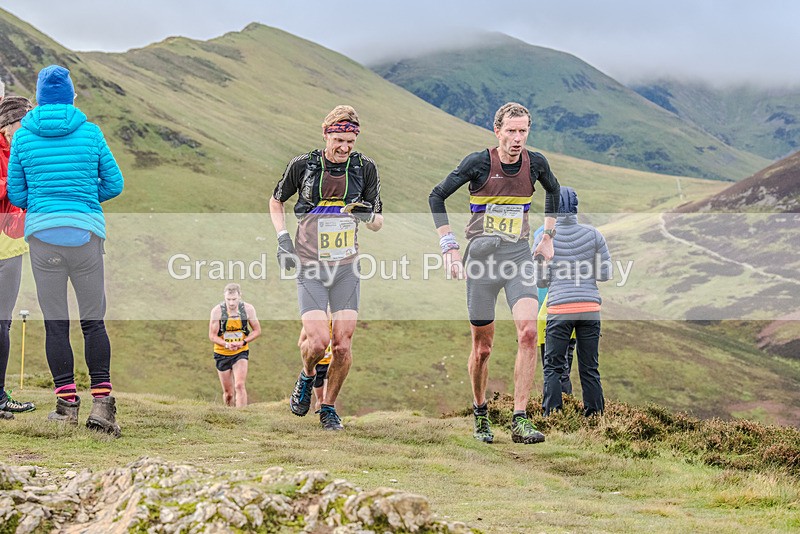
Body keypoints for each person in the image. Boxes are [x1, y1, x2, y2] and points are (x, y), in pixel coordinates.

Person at [429, 102, 560, 444]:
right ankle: (480, 412)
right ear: (497, 131)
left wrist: (547, 237)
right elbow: (437, 196)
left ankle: (520, 418)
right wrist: (450, 246)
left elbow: (555, 191)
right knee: (483, 349)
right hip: (482, 262)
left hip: (518, 258)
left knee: (529, 333)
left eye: (523, 131)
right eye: (511, 131)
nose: (517, 138)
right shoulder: (479, 163)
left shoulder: (536, 164)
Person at [7, 65, 124, 436]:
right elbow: (115, 184)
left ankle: (66, 405)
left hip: (43, 239)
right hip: (86, 236)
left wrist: (45, 203)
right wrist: (86, 199)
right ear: (72, 96)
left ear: (39, 99)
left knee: (55, 321)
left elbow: (19, 194)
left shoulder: (23, 137)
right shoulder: (90, 133)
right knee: (93, 321)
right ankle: (102, 407)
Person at [270, 105, 383, 431]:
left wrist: (365, 215)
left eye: (350, 141)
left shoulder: (365, 169)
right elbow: (276, 200)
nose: (345, 148)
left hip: (346, 268)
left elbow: (378, 222)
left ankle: (329, 407)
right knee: (318, 343)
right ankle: (307, 376)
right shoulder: (304, 165)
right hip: (310, 266)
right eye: (339, 140)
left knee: (343, 344)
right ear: (326, 134)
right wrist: (282, 239)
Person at [535, 186, 611, 417]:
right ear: (576, 207)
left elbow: (540, 281)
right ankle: (595, 418)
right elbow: (605, 274)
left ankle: (554, 417)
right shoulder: (594, 234)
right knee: (590, 368)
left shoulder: (543, 238)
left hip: (559, 309)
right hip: (590, 309)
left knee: (553, 367)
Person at [0, 89, 36, 418]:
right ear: (10, 123)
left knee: (4, 323)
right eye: (25, 122)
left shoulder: (18, 149)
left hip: (12, 247)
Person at [533, 224, 576, 395]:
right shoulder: (578, 237)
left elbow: (538, 286)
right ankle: (565, 411)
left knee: (554, 371)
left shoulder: (540, 236)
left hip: (548, 319)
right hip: (573, 317)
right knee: (564, 368)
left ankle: (556, 414)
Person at [208, 283, 261, 407]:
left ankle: (242, 417)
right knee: (228, 394)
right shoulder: (217, 311)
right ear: (224, 297)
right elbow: (212, 336)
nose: (231, 303)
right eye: (228, 299)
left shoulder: (248, 309)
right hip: (222, 353)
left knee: (239, 385)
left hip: (240, 351)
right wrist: (226, 345)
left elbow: (257, 330)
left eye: (234, 299)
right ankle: (230, 416)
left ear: (240, 296)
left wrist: (243, 342)